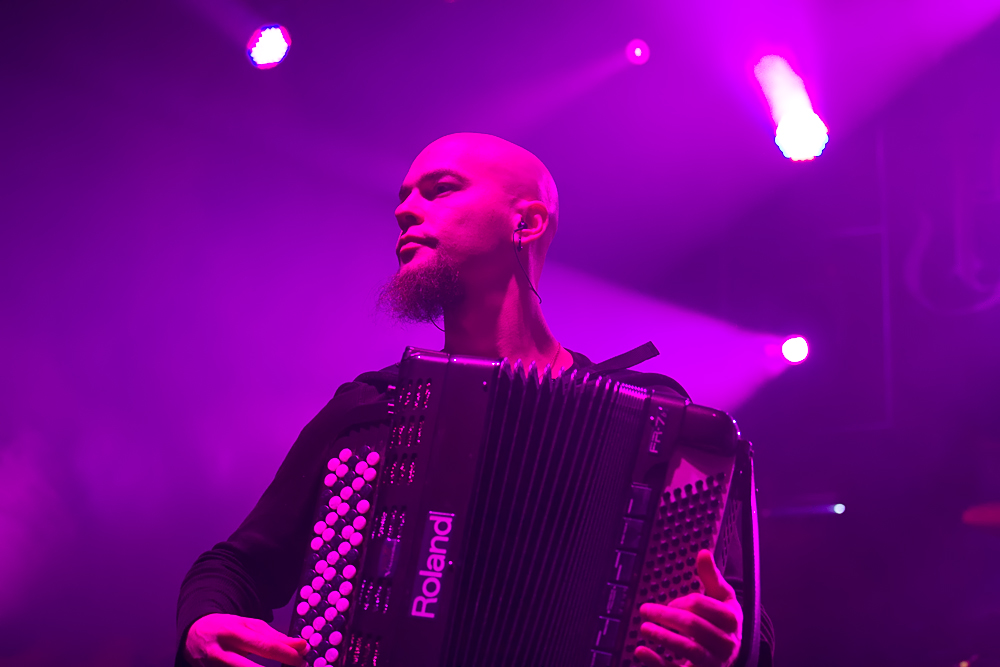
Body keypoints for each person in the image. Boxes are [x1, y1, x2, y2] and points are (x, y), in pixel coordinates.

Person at [178, 133, 771, 667]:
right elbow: (235, 567)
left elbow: (744, 626)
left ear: (527, 222)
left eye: (440, 191)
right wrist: (203, 624)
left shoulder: (657, 424)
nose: (405, 210)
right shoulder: (369, 410)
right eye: (404, 198)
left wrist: (729, 646)